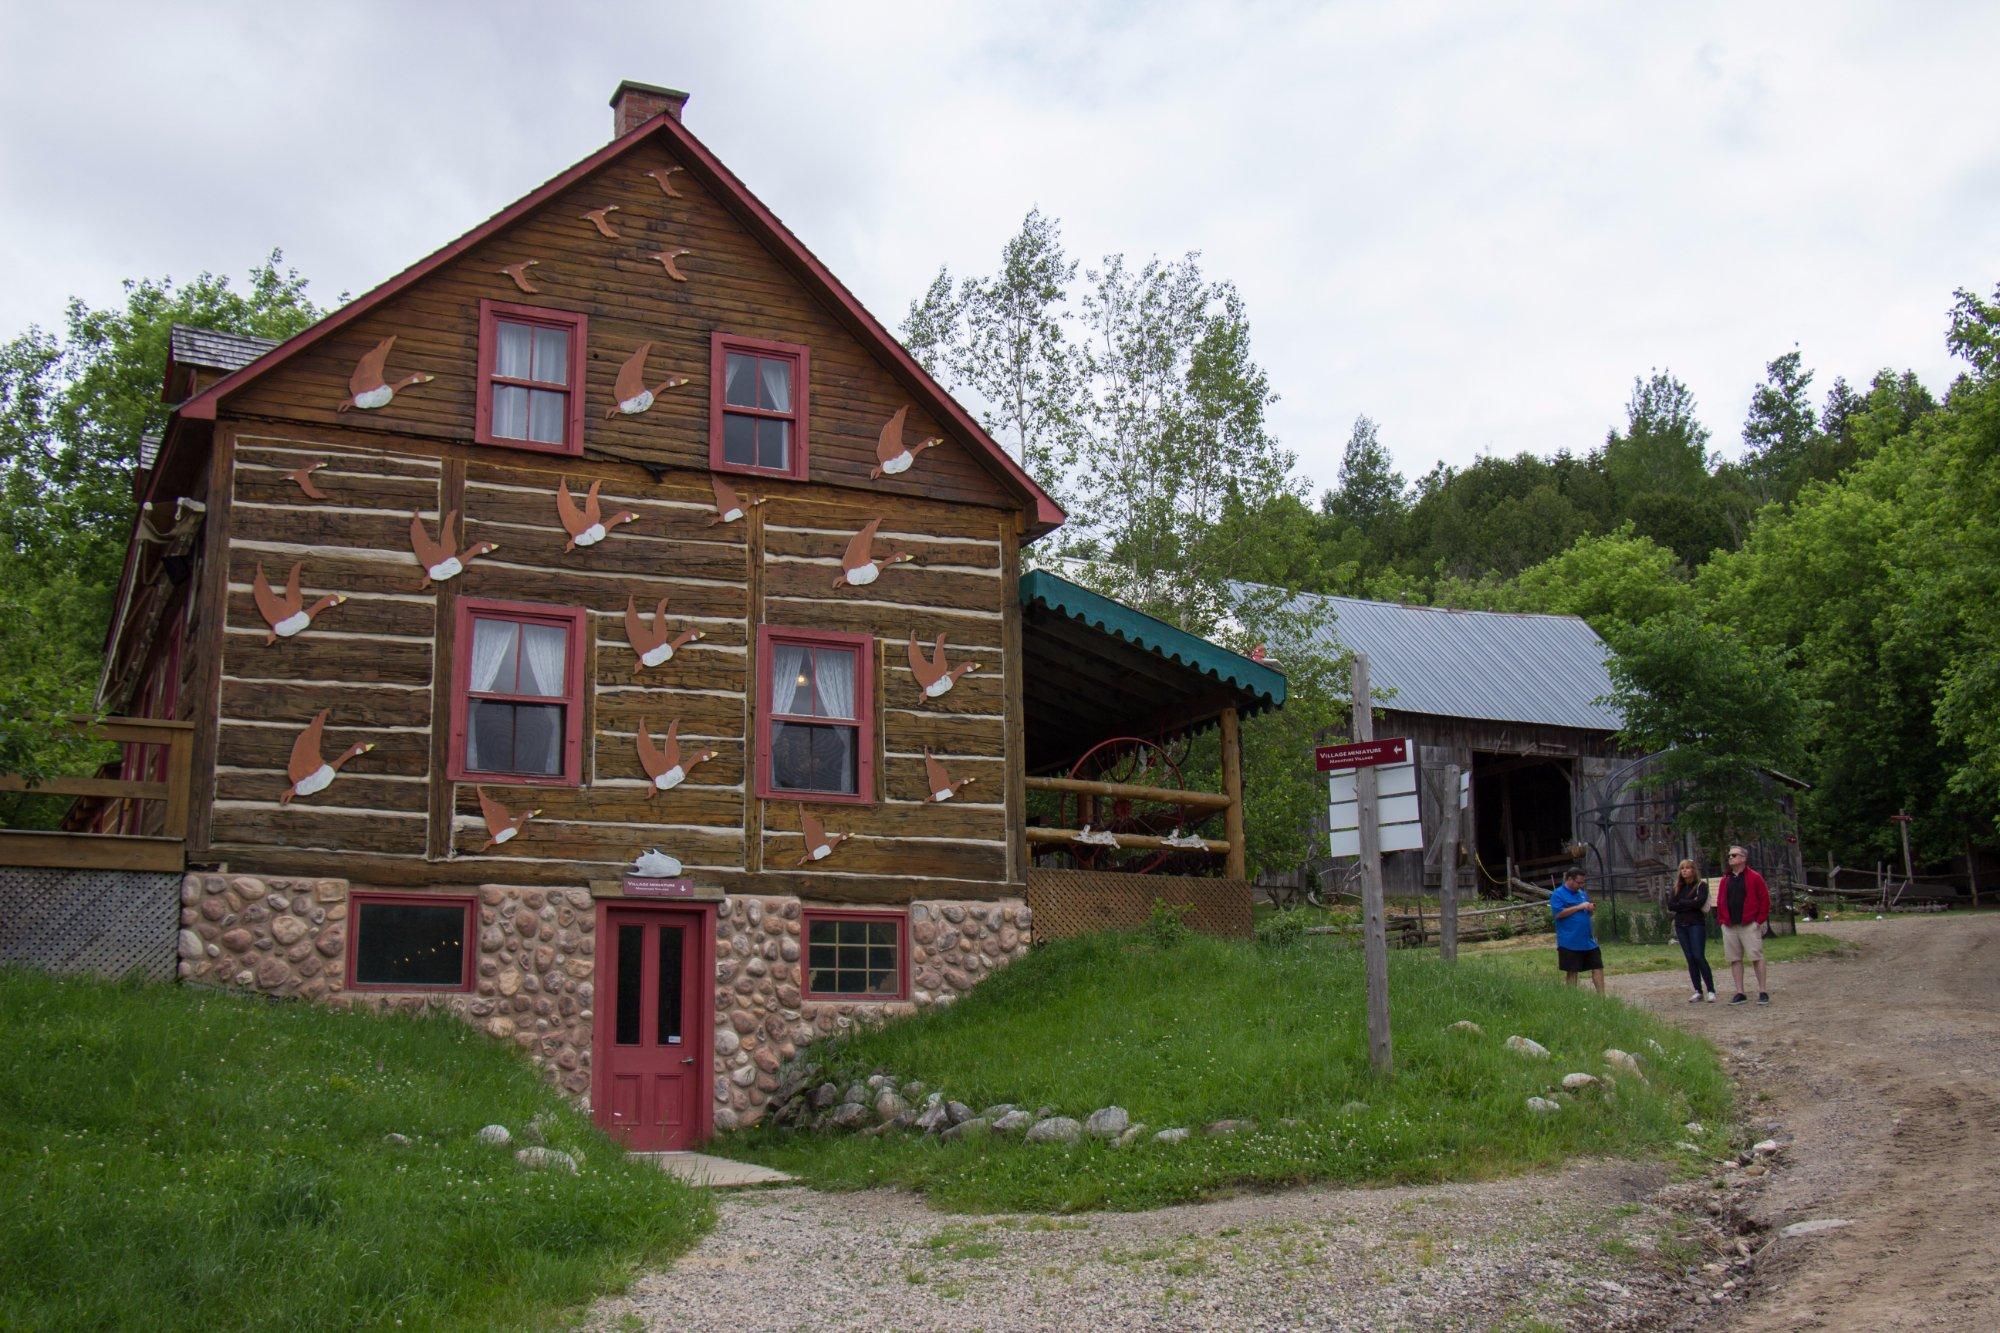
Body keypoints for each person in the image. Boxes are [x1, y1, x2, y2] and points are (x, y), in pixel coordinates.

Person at [1715, 844, 1771, 1004]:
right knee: (1735, 959)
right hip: (1730, 925)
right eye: (1729, 856)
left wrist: (1758, 921)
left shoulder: (1754, 877)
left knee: (1756, 956)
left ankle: (1762, 990)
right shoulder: (1725, 879)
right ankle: (1740, 992)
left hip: (1748, 924)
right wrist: (1722, 920)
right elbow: (1720, 900)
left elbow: (1764, 899)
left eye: (1734, 855)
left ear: (1743, 858)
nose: (1730, 858)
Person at [1548, 866, 1605, 994]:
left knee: (1598, 966)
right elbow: (1558, 914)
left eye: (1583, 882)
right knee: (1572, 971)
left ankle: (1602, 998)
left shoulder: (1582, 894)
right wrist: (1579, 907)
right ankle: (1572, 998)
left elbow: (1585, 912)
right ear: (1569, 879)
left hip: (1588, 940)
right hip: (1570, 941)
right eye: (1578, 882)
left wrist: (1589, 909)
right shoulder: (1558, 894)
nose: (1581, 885)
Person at [1668, 859, 1718, 1003]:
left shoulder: (1701, 886)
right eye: (1682, 868)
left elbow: (1699, 902)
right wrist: (1688, 903)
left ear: (1694, 870)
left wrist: (1682, 903)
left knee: (1698, 956)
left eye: (1688, 868)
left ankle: (1711, 989)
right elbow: (1671, 905)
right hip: (1681, 925)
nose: (1685, 871)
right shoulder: (1677, 887)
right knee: (1689, 957)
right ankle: (1697, 990)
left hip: (1696, 924)